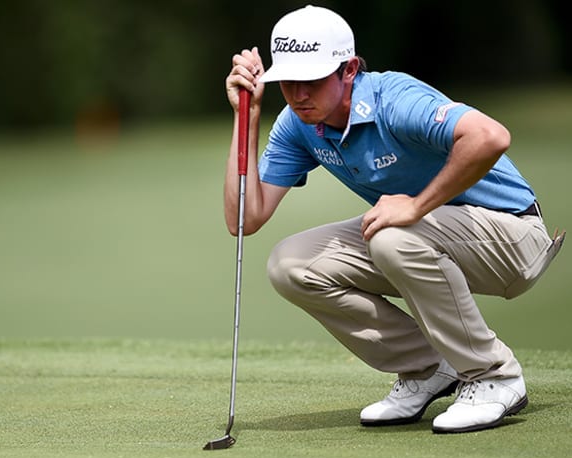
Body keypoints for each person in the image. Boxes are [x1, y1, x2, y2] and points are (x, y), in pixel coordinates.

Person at [224, 5, 565, 433]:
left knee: (392, 235)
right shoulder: (298, 125)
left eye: (311, 80)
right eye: (287, 81)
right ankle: (428, 367)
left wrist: (416, 204)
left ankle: (494, 376)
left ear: (348, 70)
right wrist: (247, 116)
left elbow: (491, 136)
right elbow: (244, 219)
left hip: (512, 236)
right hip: (431, 236)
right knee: (290, 265)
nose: (298, 93)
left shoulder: (393, 98)